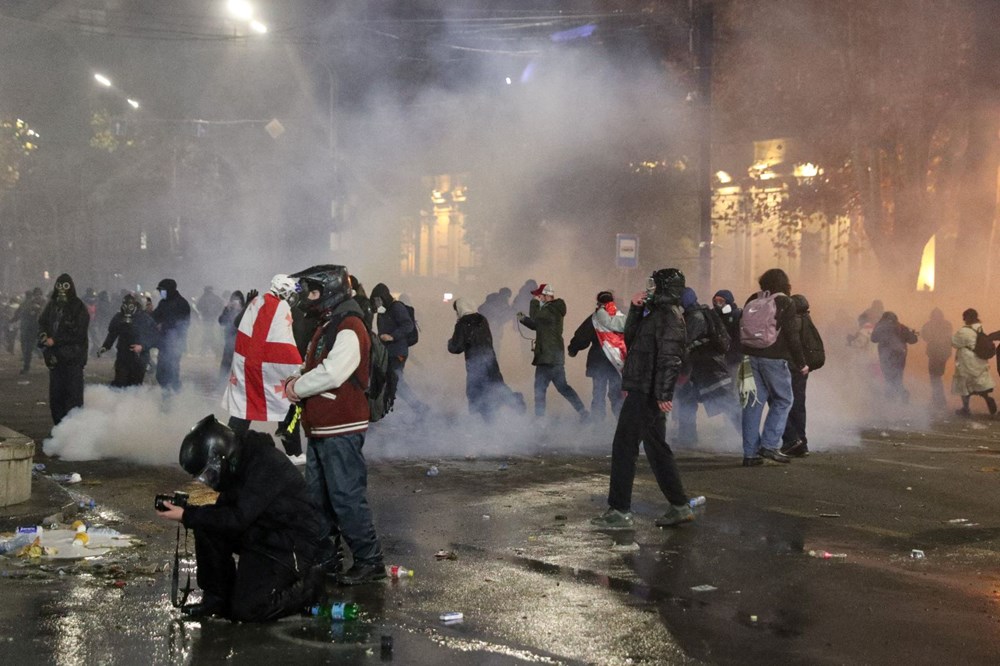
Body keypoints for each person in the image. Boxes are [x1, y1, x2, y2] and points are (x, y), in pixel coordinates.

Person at [155, 415, 326, 621]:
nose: (209, 482)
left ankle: (309, 588)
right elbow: (223, 514)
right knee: (207, 525)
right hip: (263, 532)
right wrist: (189, 513)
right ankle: (217, 599)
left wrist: (187, 514)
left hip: (291, 542)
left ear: (222, 456)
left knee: (248, 609)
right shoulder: (239, 462)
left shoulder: (265, 464)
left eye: (209, 474)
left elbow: (237, 518)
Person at [283, 265, 386, 585]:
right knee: (318, 497)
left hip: (340, 427)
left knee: (345, 496)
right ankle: (327, 557)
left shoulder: (349, 325)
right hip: (322, 427)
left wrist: (297, 387)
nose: (309, 298)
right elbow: (315, 364)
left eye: (313, 291)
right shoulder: (330, 324)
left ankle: (370, 561)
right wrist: (298, 376)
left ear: (330, 290)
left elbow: (333, 372)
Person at [590, 268, 694, 529]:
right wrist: (636, 310)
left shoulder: (669, 317)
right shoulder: (656, 314)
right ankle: (679, 506)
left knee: (624, 446)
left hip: (646, 391)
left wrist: (663, 394)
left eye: (654, 286)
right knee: (656, 448)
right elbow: (631, 338)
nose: (649, 290)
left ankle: (619, 510)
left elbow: (670, 359)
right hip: (644, 388)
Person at [222, 275, 302, 447]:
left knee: (246, 406)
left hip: (249, 365)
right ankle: (293, 449)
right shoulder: (282, 307)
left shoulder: (257, 302)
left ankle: (227, 446)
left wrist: (247, 306)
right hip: (272, 367)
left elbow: (238, 323)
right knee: (290, 402)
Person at [740, 268, 807, 466]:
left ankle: (750, 454)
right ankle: (769, 445)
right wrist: (801, 362)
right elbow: (792, 335)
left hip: (750, 356)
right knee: (783, 400)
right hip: (774, 358)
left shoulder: (753, 299)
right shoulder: (785, 301)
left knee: (752, 405)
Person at [674, 287, 738, 447]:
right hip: (698, 369)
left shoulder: (696, 317)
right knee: (687, 401)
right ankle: (687, 438)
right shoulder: (695, 314)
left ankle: (752, 439)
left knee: (727, 403)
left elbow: (684, 343)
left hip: (708, 368)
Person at [516, 283, 588, 421]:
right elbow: (538, 325)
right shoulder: (550, 310)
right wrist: (523, 319)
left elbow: (536, 316)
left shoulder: (552, 309)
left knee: (540, 389)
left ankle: (539, 418)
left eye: (539, 295)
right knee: (562, 387)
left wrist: (534, 302)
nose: (537, 298)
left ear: (546, 295)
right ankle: (582, 411)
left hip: (548, 357)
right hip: (551, 356)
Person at [447, 297, 524, 421]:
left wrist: (450, 343)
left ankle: (486, 417)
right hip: (490, 359)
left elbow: (456, 347)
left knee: (475, 390)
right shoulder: (482, 319)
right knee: (496, 384)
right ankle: (513, 401)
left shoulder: (462, 324)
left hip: (475, 362)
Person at [37, 273, 90, 426]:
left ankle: (73, 432)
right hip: (55, 360)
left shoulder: (78, 307)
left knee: (73, 398)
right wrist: (43, 335)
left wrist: (56, 341)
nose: (61, 290)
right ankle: (61, 431)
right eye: (59, 286)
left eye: (65, 286)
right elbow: (42, 322)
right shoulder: (52, 305)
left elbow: (79, 334)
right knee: (56, 398)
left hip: (73, 359)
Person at [370, 282, 428, 416]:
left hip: (398, 352)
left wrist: (392, 336)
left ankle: (419, 408)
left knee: (396, 381)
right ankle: (389, 409)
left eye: (378, 299)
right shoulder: (383, 311)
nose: (377, 303)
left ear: (383, 297)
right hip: (388, 352)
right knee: (391, 381)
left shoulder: (396, 307)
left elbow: (408, 325)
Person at [568, 291, 626, 422]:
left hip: (598, 361)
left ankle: (597, 425)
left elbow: (581, 336)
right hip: (616, 362)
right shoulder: (621, 318)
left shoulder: (594, 318)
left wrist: (573, 349)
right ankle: (621, 424)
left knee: (598, 394)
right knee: (617, 394)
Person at [781, 294, 817, 457]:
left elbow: (791, 344)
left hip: (791, 366)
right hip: (802, 369)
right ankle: (802, 443)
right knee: (798, 405)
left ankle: (792, 440)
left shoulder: (792, 321)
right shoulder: (807, 320)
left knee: (781, 403)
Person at [98, 293, 157, 388]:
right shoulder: (118, 317)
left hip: (139, 358)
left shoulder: (144, 318)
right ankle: (120, 402)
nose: (128, 308)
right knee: (120, 383)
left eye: (130, 305)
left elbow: (153, 336)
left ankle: (133, 402)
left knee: (135, 385)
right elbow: (112, 334)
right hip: (123, 356)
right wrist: (105, 347)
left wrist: (142, 346)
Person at [952, 308, 997, 417]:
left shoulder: (964, 331)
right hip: (979, 360)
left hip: (966, 361)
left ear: (966, 318)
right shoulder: (980, 328)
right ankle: (986, 397)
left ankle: (966, 409)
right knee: (979, 382)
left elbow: (954, 342)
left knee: (964, 385)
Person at [152, 278, 191, 393]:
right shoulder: (163, 303)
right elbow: (155, 317)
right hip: (163, 343)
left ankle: (174, 397)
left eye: (162, 290)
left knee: (172, 373)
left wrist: (164, 326)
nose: (160, 293)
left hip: (175, 344)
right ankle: (168, 394)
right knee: (160, 374)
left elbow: (184, 323)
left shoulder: (182, 303)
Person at [870, 311, 918, 403]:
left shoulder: (880, 327)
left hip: (885, 357)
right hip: (900, 357)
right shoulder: (902, 327)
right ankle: (901, 395)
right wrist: (913, 333)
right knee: (898, 378)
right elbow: (913, 340)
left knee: (888, 378)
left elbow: (873, 339)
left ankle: (891, 400)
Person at [920, 308, 953, 412]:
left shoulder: (929, 325)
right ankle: (938, 398)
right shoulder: (947, 324)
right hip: (943, 353)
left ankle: (938, 399)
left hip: (934, 353)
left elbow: (924, 336)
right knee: (937, 376)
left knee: (934, 377)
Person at [712, 289, 743, 378]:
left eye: (721, 301)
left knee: (732, 381)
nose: (717, 303)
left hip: (733, 357)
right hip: (719, 357)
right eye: (715, 300)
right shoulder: (714, 315)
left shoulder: (737, 315)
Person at [218, 290, 245, 382]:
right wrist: (227, 309)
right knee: (226, 362)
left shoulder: (245, 310)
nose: (236, 303)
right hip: (229, 340)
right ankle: (221, 381)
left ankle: (239, 381)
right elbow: (221, 321)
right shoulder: (228, 309)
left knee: (240, 363)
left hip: (241, 341)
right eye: (234, 300)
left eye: (238, 301)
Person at [16, 288, 44, 374]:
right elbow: (21, 313)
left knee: (36, 346)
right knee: (28, 347)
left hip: (39, 329)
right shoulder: (28, 304)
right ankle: (26, 367)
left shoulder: (44, 303)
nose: (37, 296)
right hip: (30, 329)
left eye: (39, 294)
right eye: (36, 294)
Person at [196, 286, 225, 355]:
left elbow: (198, 307)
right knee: (211, 332)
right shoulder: (216, 297)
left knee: (207, 333)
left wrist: (204, 311)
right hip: (214, 318)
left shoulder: (203, 298)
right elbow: (221, 306)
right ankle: (213, 349)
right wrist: (217, 313)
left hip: (206, 318)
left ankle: (206, 349)